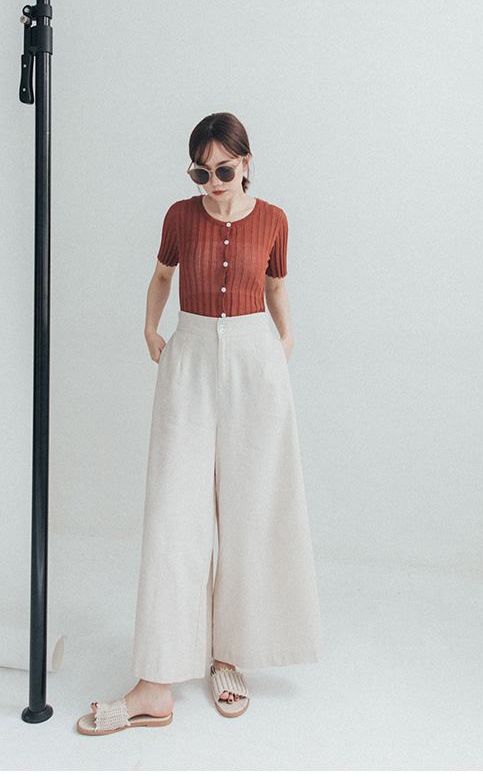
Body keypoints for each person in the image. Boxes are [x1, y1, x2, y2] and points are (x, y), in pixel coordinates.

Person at [76, 113, 323, 736]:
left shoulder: (274, 219)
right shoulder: (180, 217)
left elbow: (275, 286)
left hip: (255, 361)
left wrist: (285, 343)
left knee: (250, 508)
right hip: (188, 355)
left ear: (246, 163)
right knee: (173, 513)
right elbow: (163, 276)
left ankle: (229, 657)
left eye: (223, 170)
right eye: (200, 172)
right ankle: (155, 683)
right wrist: (150, 329)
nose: (212, 183)